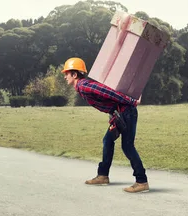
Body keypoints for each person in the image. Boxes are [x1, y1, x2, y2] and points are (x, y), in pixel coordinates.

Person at [61, 57, 149, 193]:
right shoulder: (81, 87)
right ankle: (103, 176)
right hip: (119, 114)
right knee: (107, 140)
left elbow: (108, 92)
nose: (65, 77)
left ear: (74, 74)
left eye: (66, 73)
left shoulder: (84, 85)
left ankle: (141, 181)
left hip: (127, 111)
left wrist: (131, 101)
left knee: (127, 146)